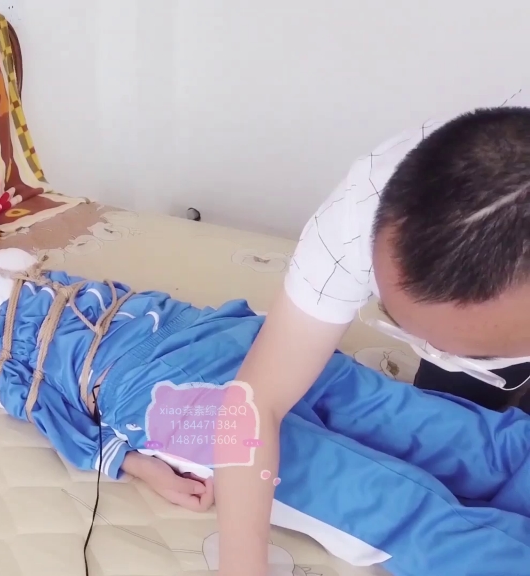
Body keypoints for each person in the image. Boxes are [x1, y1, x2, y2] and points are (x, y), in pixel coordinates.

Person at [0, 248, 530, 576]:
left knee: (422, 421)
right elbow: (28, 397)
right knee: (364, 495)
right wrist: (133, 463)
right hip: (147, 397)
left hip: (202, 330)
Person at [216, 93, 530, 575]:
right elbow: (254, 401)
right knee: (464, 430)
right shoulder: (355, 216)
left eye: (479, 352)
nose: (436, 353)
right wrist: (241, 565)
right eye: (402, 323)